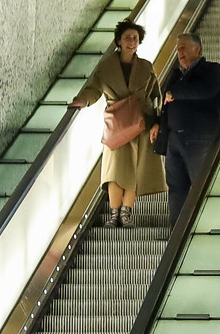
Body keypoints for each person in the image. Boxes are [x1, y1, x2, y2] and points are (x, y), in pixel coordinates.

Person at [69, 18, 165, 227]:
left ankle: (125, 214)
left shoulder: (146, 66)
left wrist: (158, 120)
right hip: (117, 121)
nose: (132, 42)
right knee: (113, 171)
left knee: (135, 169)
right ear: (119, 41)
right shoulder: (106, 66)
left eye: (135, 38)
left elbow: (156, 95)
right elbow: (93, 88)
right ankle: (114, 214)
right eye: (127, 38)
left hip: (141, 121)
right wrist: (82, 101)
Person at [159, 32, 220, 225]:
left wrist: (176, 93)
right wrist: (159, 125)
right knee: (176, 188)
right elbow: (166, 103)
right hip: (174, 139)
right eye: (177, 49)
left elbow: (205, 90)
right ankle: (176, 236)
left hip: (199, 139)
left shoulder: (212, 70)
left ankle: (205, 228)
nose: (179, 53)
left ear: (197, 49)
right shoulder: (175, 73)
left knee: (201, 186)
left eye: (183, 48)